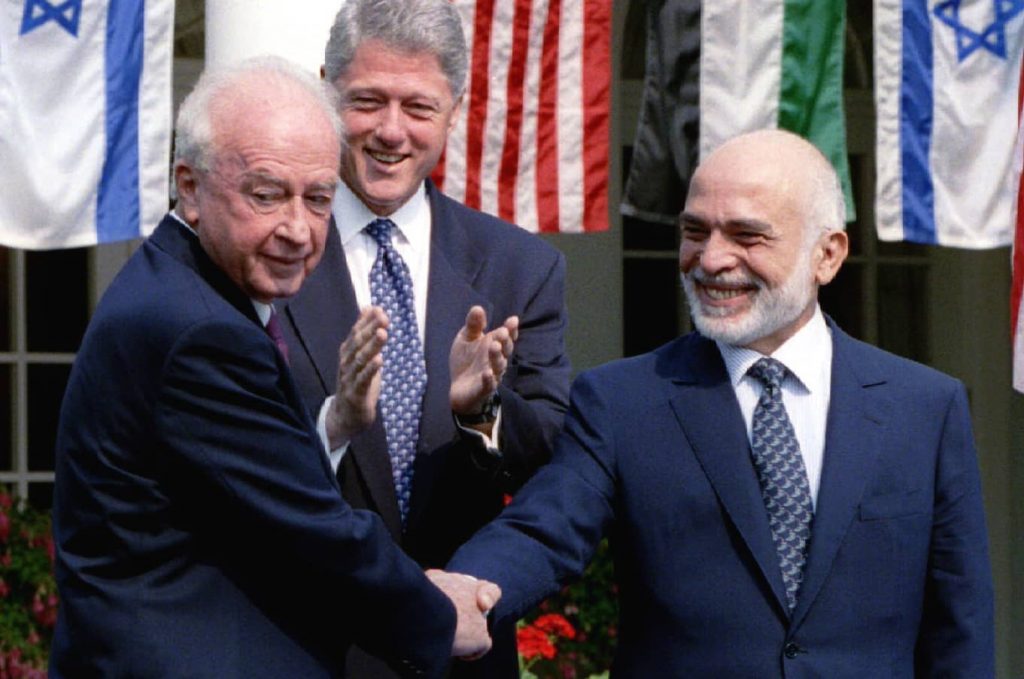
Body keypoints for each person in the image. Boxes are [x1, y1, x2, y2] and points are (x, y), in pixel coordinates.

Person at [446, 129, 995, 677]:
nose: (711, 260)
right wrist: (466, 592)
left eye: (747, 236)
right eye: (695, 231)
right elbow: (544, 529)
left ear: (827, 255)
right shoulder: (623, 401)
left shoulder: (924, 408)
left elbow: (959, 625)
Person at [50, 56, 499, 678]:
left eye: (318, 199)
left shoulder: (189, 291)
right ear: (189, 185)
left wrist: (335, 424)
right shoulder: (199, 329)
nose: (297, 229)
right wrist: (439, 614)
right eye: (266, 194)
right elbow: (312, 526)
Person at [280, 1, 570, 676]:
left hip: (458, 653)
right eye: (367, 101)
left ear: (454, 107)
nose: (390, 131)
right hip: (305, 648)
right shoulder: (274, 254)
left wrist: (481, 411)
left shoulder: (519, 269)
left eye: (418, 106)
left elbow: (551, 461)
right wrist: (334, 423)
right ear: (326, 89)